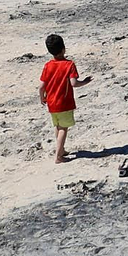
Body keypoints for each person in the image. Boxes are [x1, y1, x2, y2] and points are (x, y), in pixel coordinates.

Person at [39, 33, 92, 164]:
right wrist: (85, 82)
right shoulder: (69, 65)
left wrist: (42, 98)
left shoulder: (47, 65)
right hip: (64, 102)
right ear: (63, 49)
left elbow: (41, 86)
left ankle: (61, 150)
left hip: (51, 102)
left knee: (57, 126)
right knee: (63, 128)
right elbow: (74, 83)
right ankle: (58, 156)